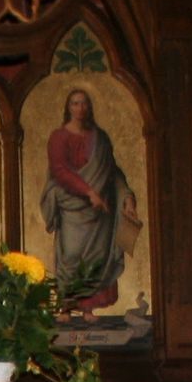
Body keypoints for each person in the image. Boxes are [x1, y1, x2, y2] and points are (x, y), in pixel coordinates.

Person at [39, 87, 136, 314]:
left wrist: (127, 197)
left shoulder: (100, 139)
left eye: (84, 103)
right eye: (75, 103)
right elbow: (60, 170)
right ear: (68, 108)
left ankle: (87, 309)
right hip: (72, 206)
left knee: (96, 259)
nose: (80, 108)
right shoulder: (59, 137)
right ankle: (65, 307)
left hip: (100, 213)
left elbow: (111, 172)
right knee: (71, 255)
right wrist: (89, 192)